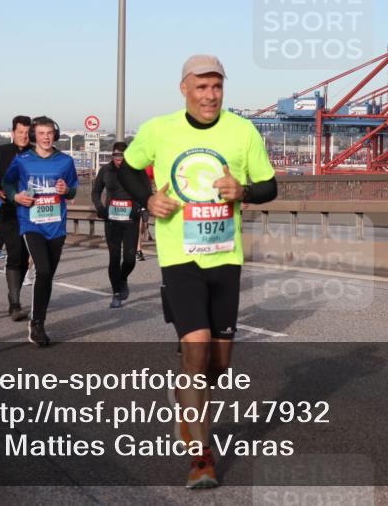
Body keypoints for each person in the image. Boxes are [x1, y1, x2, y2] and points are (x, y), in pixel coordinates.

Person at [122, 55, 278, 488]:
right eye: (202, 87)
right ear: (184, 88)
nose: (210, 95)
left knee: (218, 364)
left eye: (217, 87)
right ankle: (201, 458)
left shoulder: (242, 131)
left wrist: (243, 190)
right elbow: (128, 168)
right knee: (196, 348)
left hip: (226, 257)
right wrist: (147, 200)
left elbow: (270, 186)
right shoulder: (159, 129)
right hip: (180, 256)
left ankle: (185, 400)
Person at [2, 116, 78, 347]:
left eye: (50, 133)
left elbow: (73, 190)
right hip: (31, 223)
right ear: (34, 136)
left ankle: (38, 318)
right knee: (42, 270)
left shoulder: (65, 161)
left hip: (56, 225)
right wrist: (16, 196)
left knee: (47, 275)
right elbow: (7, 183)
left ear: (55, 135)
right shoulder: (22, 160)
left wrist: (67, 190)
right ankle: (37, 323)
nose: (46, 137)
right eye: (41, 133)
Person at [92, 141, 152, 308]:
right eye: (116, 155)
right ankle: (116, 293)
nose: (119, 159)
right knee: (114, 257)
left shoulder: (137, 170)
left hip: (131, 219)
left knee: (130, 258)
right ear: (112, 155)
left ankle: (123, 277)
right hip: (112, 220)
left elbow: (147, 193)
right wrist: (100, 208)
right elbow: (96, 191)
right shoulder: (105, 170)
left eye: (122, 156)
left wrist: (140, 207)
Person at [0, 115, 32, 321]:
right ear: (13, 133)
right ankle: (15, 305)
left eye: (27, 132)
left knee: (24, 257)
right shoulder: (2, 152)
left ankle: (13, 293)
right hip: (9, 211)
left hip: (32, 212)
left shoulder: (36, 152)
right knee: (15, 252)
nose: (23, 136)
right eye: (20, 132)